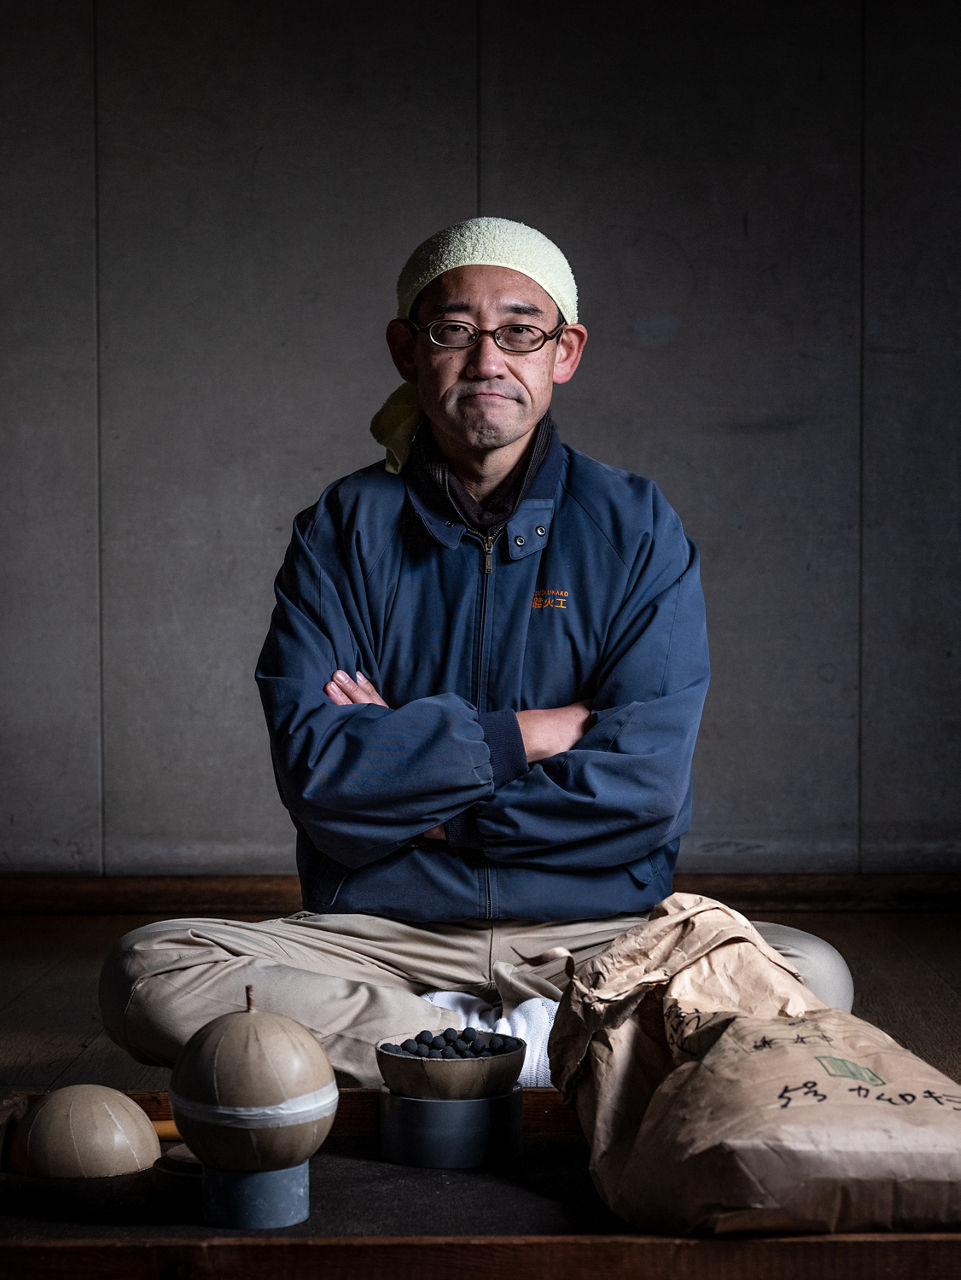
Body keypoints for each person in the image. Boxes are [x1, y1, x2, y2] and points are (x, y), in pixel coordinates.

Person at [99, 217, 853, 1086]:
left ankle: (444, 1054)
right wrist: (523, 739)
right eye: (452, 331)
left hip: (598, 934)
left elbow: (642, 788)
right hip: (379, 937)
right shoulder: (344, 528)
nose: (486, 360)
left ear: (562, 353)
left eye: (519, 332)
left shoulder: (636, 526)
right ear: (405, 350)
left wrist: (425, 801)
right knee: (148, 971)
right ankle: (533, 1050)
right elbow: (319, 777)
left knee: (813, 973)